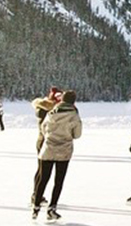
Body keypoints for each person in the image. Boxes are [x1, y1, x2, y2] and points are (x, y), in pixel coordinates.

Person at [32, 90, 81, 222]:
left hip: (48, 149)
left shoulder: (51, 112)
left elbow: (43, 128)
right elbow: (77, 134)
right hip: (64, 151)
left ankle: (35, 206)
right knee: (58, 181)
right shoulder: (74, 115)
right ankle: (52, 208)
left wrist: (51, 137)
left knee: (43, 179)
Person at [30, 87, 62, 206]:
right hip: (46, 142)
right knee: (43, 172)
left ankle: (36, 194)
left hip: (42, 141)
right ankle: (36, 195)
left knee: (41, 170)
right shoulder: (49, 111)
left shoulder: (42, 108)